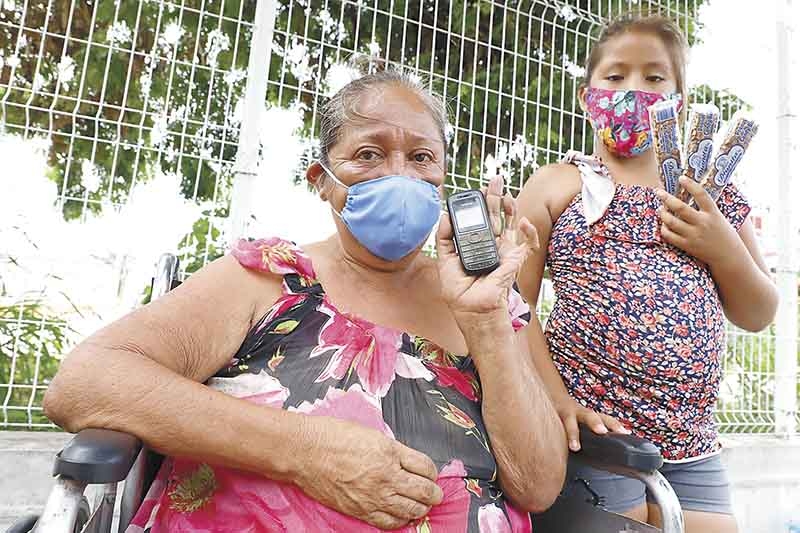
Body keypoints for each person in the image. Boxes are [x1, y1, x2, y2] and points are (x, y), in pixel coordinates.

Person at [44, 67, 567, 532]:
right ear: (322, 180)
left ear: (442, 181)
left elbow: (537, 486)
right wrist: (308, 452)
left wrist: (487, 323)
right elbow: (88, 382)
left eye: (421, 157)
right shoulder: (268, 278)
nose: (400, 175)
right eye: (369, 154)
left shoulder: (489, 302)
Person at [516, 12, 778, 533]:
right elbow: (511, 307)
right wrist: (552, 397)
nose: (633, 89)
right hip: (595, 435)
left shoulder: (712, 197)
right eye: (615, 76)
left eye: (655, 77)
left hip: (692, 444)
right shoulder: (557, 185)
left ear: (680, 98)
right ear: (587, 94)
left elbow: (759, 311)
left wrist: (721, 246)